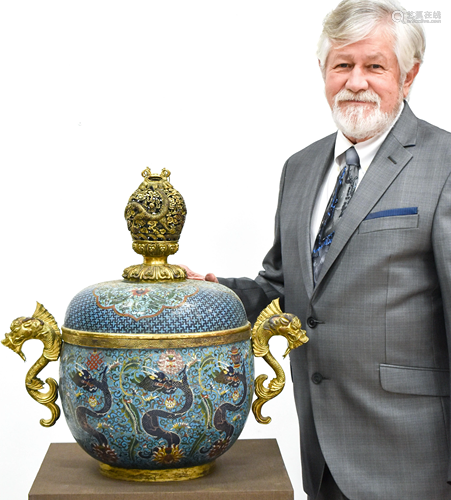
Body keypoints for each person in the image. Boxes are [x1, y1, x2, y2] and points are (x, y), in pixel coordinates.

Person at [183, 1, 451, 499]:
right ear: (323, 72)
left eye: (375, 66)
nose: (356, 81)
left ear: (408, 76)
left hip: (417, 463)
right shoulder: (300, 168)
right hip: (323, 457)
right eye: (342, 65)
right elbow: (287, 289)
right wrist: (216, 296)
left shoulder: (446, 164)